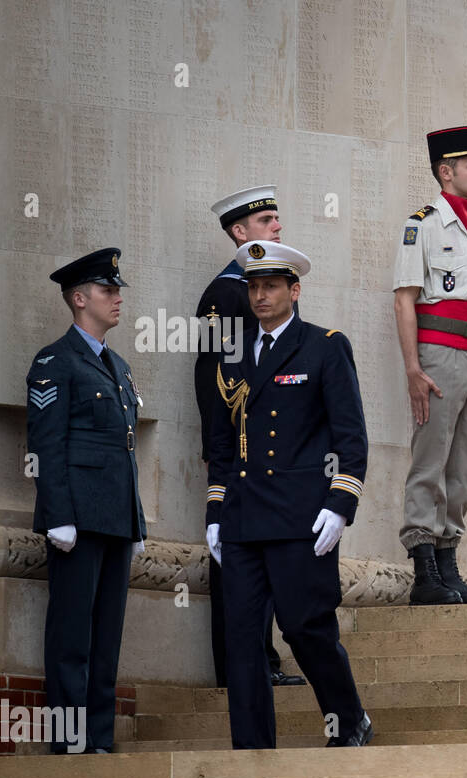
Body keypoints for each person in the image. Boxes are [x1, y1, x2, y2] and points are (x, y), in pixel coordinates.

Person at [205, 241, 372, 748]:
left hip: (302, 518)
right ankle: (253, 748)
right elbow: (221, 441)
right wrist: (215, 510)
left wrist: (340, 505)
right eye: (254, 286)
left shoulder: (324, 346)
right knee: (241, 639)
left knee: (305, 628)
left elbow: (351, 437)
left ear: (294, 290)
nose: (260, 296)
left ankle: (349, 721)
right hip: (242, 519)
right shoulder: (233, 356)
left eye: (271, 286)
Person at [26, 248, 146, 753]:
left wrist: (136, 522)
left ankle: (98, 738)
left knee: (106, 637)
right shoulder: (55, 361)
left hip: (115, 518)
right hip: (77, 518)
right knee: (72, 635)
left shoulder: (116, 364)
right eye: (106, 290)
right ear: (79, 299)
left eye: (117, 290)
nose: (117, 298)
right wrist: (58, 516)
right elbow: (45, 444)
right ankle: (70, 741)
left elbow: (125, 448)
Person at [194, 186, 304, 688]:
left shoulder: (260, 288)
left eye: (277, 218)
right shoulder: (225, 294)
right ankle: (243, 668)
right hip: (238, 452)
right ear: (240, 233)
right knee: (235, 562)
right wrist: (223, 451)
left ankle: (263, 660)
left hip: (268, 453)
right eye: (266, 220)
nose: (277, 226)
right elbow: (219, 380)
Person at [391, 125, 467, 605]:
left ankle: (449, 563)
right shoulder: (423, 224)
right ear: (445, 170)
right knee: (430, 459)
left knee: (464, 464)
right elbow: (404, 300)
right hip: (438, 355)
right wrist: (413, 368)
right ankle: (423, 572)